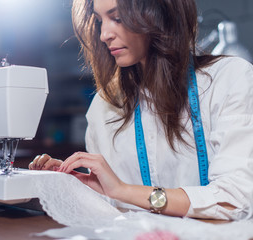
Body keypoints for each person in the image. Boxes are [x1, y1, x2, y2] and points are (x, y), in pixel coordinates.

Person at [29, 0, 253, 220]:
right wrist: (68, 183)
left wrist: (122, 190)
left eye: (117, 18)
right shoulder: (104, 105)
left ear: (159, 13)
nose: (104, 34)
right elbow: (107, 211)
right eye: (99, 21)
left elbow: (233, 200)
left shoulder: (230, 78)